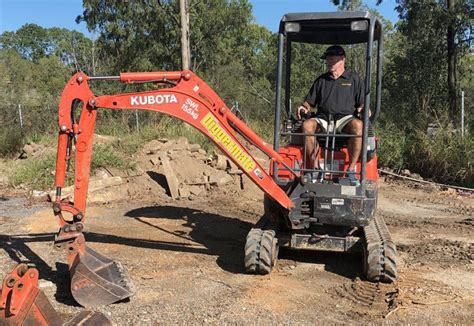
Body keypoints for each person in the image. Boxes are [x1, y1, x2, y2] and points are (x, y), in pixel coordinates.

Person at [297, 45, 367, 186]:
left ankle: (351, 171)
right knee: (307, 125)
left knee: (358, 126)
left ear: (342, 59)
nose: (329, 62)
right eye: (327, 59)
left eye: (332, 59)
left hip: (345, 119)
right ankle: (315, 169)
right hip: (323, 118)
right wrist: (303, 108)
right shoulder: (321, 80)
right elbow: (308, 103)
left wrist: (365, 109)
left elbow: (362, 104)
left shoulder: (354, 79)